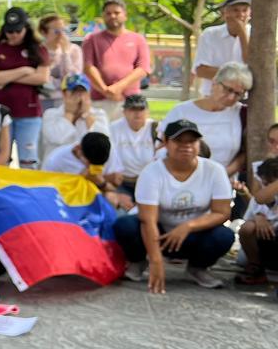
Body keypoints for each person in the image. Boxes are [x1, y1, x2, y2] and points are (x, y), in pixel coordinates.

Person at [114, 120, 235, 292]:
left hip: (194, 234)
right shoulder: (151, 172)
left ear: (199, 143)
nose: (186, 146)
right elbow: (148, 221)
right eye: (179, 141)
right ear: (165, 142)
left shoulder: (215, 170)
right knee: (124, 225)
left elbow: (222, 213)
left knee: (224, 235)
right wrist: (156, 262)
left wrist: (188, 226)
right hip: (160, 233)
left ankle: (197, 268)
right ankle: (138, 261)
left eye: (191, 141)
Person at [158, 61, 251, 180]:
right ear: (214, 83)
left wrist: (221, 175)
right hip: (181, 179)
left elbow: (245, 152)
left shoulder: (241, 113)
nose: (231, 97)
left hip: (223, 181)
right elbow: (161, 147)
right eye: (228, 89)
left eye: (238, 93)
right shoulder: (181, 111)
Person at [0, 7, 50, 168]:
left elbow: (42, 77)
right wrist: (23, 70)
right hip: (2, 112)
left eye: (17, 31)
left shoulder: (38, 49)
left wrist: (5, 77)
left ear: (26, 29)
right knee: (2, 157)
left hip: (28, 113)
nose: (13, 35)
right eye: (10, 31)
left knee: (28, 159)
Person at [82, 0, 150, 122]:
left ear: (125, 15)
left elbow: (143, 68)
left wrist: (118, 87)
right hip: (100, 101)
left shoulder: (138, 39)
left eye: (116, 13)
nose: (112, 16)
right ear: (103, 16)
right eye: (108, 13)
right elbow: (88, 66)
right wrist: (105, 90)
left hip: (130, 102)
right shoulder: (91, 39)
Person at [39, 73, 110, 162]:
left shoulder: (99, 114)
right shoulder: (51, 114)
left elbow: (102, 145)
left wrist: (87, 116)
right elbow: (57, 138)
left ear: (89, 94)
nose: (79, 97)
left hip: (85, 169)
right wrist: (69, 114)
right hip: (57, 169)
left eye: (82, 92)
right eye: (74, 92)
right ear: (64, 94)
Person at [193, 0, 250, 97]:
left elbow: (253, 65)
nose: (241, 15)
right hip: (212, 97)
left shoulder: (256, 35)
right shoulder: (210, 34)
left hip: (244, 98)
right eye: (235, 10)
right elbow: (201, 71)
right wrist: (241, 77)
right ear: (224, 13)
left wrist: (242, 34)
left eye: (244, 10)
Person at [105, 94, 157, 204]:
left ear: (147, 112)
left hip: (150, 183)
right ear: (124, 112)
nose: (137, 114)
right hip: (122, 182)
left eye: (141, 109)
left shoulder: (156, 128)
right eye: (132, 109)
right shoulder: (113, 129)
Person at [235, 157, 278, 286]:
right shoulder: (262, 196)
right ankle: (257, 269)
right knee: (247, 229)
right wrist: (258, 217)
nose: (266, 187)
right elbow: (258, 200)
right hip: (266, 243)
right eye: (264, 183)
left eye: (269, 183)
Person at [39, 13, 82, 110]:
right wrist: (58, 82)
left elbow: (72, 79)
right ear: (43, 32)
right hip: (41, 101)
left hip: (66, 101)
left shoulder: (74, 50)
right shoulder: (37, 51)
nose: (61, 35)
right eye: (56, 31)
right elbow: (39, 79)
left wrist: (65, 54)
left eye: (64, 30)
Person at [41, 132, 114, 189]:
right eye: (89, 164)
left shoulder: (101, 149)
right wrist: (103, 183)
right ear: (78, 148)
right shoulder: (61, 160)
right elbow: (99, 182)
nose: (90, 167)